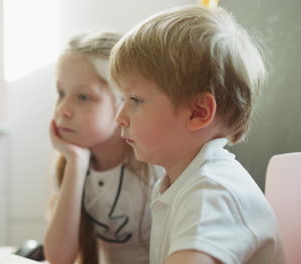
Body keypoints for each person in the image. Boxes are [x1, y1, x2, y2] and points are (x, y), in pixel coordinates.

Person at [111, 5, 286, 264]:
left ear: (198, 112)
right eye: (123, 98)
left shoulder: (213, 192)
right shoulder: (182, 182)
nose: (119, 117)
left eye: (135, 99)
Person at [43, 31, 163, 264]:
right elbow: (59, 259)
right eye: (61, 93)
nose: (62, 110)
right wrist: (76, 163)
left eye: (83, 97)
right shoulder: (70, 166)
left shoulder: (155, 167)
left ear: (123, 101)